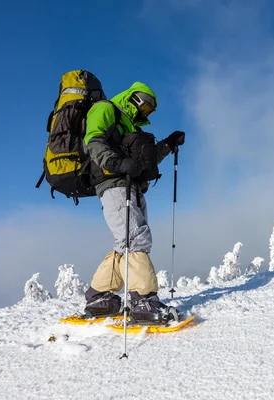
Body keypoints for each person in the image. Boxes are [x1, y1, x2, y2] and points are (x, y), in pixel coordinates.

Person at [81, 81, 185, 322]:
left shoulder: (130, 126)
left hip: (133, 186)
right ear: (136, 98)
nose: (147, 113)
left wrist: (168, 144)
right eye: (146, 107)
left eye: (151, 111)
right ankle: (144, 302)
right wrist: (116, 164)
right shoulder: (106, 109)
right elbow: (93, 141)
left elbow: (144, 162)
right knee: (135, 238)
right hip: (114, 184)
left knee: (125, 242)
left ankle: (99, 297)